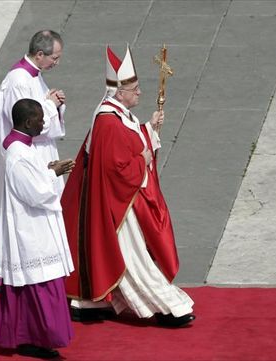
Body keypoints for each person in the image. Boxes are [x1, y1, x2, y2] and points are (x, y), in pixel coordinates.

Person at [61, 45, 195, 328]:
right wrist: (143, 157)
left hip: (113, 200)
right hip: (117, 205)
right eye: (134, 89)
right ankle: (170, 307)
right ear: (118, 92)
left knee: (118, 256)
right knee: (134, 258)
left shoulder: (116, 113)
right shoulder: (107, 121)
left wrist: (148, 128)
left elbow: (124, 147)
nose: (140, 93)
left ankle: (88, 303)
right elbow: (116, 170)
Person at [0, 30, 67, 293]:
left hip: (34, 150)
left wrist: (54, 104)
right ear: (40, 53)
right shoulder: (18, 80)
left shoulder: (34, 75)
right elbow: (22, 120)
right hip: (19, 152)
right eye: (54, 57)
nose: (57, 62)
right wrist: (49, 105)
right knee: (5, 210)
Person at [0, 98, 75, 359]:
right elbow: (35, 193)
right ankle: (38, 338)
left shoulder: (19, 145)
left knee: (28, 286)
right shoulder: (18, 153)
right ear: (27, 122)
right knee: (39, 285)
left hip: (29, 224)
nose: (43, 122)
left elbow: (28, 180)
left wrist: (46, 169)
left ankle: (24, 337)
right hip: (30, 229)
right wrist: (54, 174)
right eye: (40, 119)